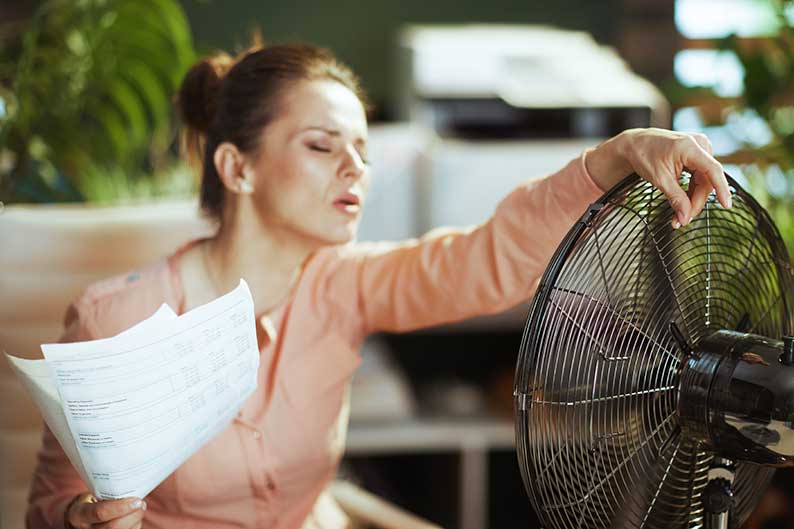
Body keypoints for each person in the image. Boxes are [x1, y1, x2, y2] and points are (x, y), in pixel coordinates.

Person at [26, 41, 732, 529]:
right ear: (237, 169)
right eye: (321, 145)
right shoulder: (112, 319)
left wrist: (611, 159)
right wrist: (77, 516)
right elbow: (51, 503)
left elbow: (483, 258)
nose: (354, 169)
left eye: (362, 151)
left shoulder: (346, 287)